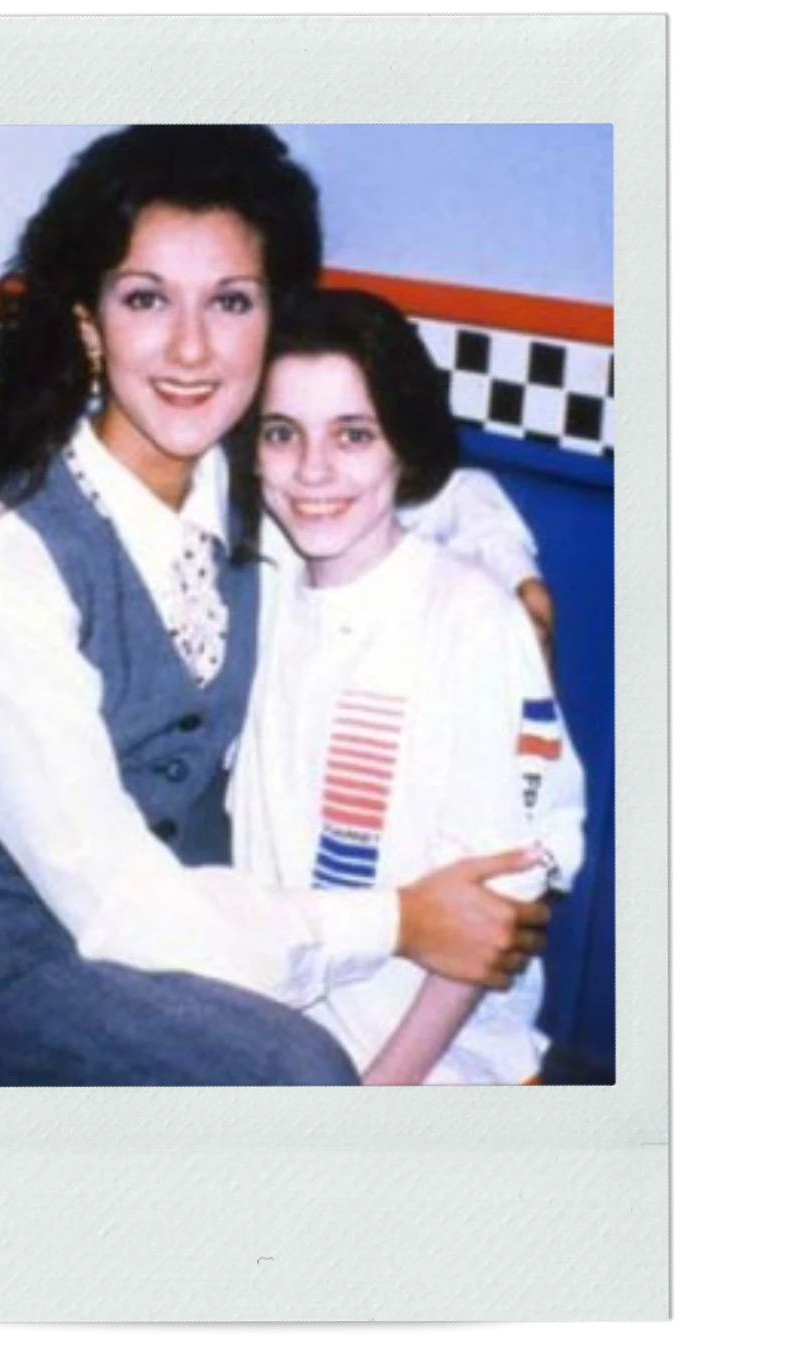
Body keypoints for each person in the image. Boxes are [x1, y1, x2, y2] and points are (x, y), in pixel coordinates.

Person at [0, 124, 552, 1087]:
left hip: (189, 917)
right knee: (296, 1074)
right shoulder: (5, 550)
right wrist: (402, 920)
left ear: (271, 319)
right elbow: (116, 903)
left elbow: (436, 488)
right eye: (146, 298)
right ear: (89, 324)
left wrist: (513, 573)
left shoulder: (263, 478)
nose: (192, 347)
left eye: (230, 301)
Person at [228, 288, 586, 1084]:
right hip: (281, 1035)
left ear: (403, 444)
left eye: (353, 434)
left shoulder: (471, 622)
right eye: (282, 433)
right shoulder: (267, 583)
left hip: (439, 1068)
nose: (313, 470)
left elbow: (498, 900)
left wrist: (376, 1099)